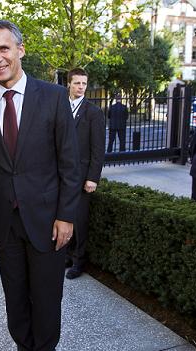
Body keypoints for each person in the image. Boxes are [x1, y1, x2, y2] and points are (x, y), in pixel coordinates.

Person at [0, 20, 81, 351]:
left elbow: (70, 163)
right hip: (5, 222)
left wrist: (66, 216)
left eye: (3, 48)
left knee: (46, 302)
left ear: (20, 49)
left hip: (48, 221)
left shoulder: (54, 96)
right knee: (15, 302)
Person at [65, 68, 105, 280]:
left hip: (82, 177)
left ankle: (79, 261)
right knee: (64, 215)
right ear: (69, 84)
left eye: (84, 84)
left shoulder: (93, 113)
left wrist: (92, 178)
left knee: (79, 220)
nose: (81, 87)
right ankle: (67, 255)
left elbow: (98, 149)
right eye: (77, 83)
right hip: (61, 175)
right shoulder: (61, 107)